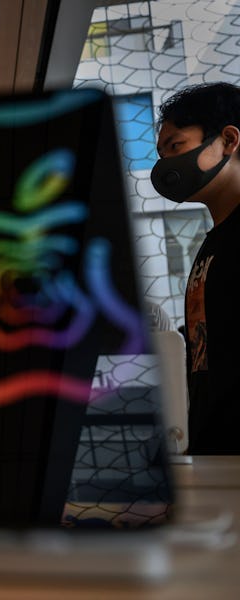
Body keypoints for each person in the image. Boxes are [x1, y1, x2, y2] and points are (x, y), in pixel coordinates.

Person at [151, 81, 240, 454]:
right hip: (214, 455)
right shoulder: (212, 243)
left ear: (229, 140)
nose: (166, 165)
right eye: (161, 153)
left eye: (176, 147)